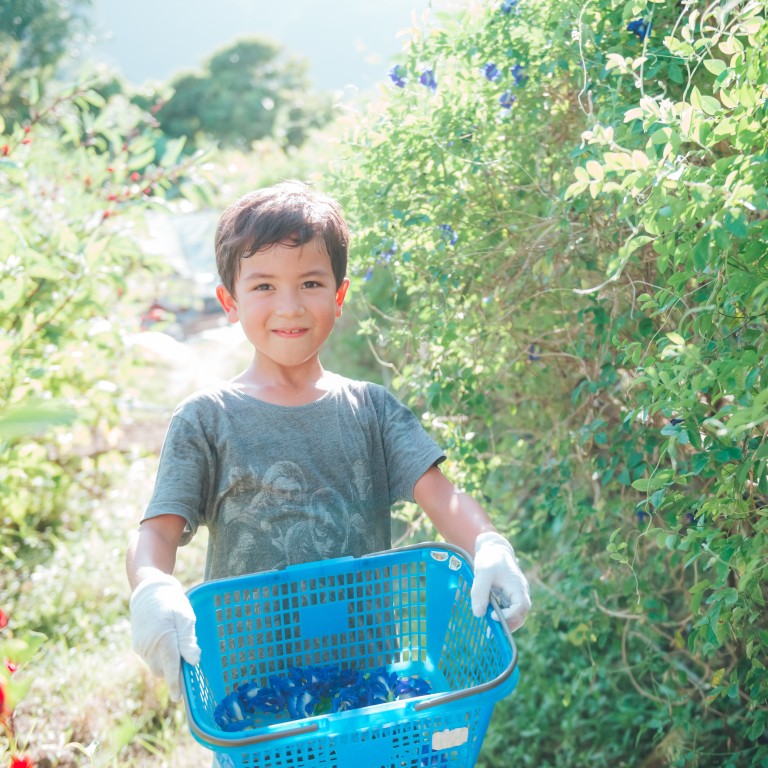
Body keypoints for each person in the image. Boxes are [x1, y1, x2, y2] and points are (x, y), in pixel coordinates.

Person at [126, 181, 531, 701]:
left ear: (339, 296)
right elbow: (154, 532)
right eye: (264, 286)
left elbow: (444, 497)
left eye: (311, 284)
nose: (290, 307)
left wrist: (489, 545)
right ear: (229, 301)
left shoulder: (373, 411)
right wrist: (152, 587)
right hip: (251, 690)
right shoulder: (207, 419)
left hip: (368, 684)